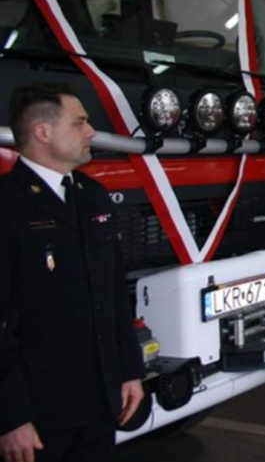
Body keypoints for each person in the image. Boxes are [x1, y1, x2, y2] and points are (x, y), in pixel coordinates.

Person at [0, 83, 145, 462]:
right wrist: (10, 415)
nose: (91, 132)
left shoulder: (93, 195)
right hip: (37, 412)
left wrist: (129, 371)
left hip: (99, 401)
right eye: (79, 122)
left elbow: (113, 295)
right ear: (42, 132)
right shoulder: (7, 203)